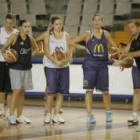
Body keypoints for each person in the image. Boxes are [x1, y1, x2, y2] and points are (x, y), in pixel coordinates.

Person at [72, 13, 118, 123]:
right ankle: (90, 115)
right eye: (95, 20)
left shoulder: (106, 34)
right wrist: (83, 47)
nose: (96, 22)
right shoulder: (88, 34)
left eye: (99, 20)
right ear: (92, 22)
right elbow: (72, 42)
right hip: (90, 65)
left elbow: (115, 47)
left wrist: (113, 52)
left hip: (102, 65)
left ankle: (108, 112)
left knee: (105, 91)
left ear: (102, 22)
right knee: (89, 91)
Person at [36, 16, 73, 123]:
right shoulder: (48, 35)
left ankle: (56, 114)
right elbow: (47, 51)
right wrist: (55, 61)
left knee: (61, 92)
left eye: (60, 24)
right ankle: (48, 113)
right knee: (51, 91)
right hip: (51, 66)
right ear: (52, 25)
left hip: (63, 66)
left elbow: (70, 48)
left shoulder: (66, 35)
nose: (59, 26)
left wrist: (67, 59)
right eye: (56, 24)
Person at [1, 19, 38, 125]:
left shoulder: (30, 39)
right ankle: (11, 115)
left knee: (22, 93)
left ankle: (20, 116)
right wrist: (6, 57)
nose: (27, 28)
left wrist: (31, 55)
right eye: (25, 26)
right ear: (20, 27)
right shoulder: (14, 37)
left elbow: (36, 48)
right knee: (16, 92)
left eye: (29, 26)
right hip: (15, 68)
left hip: (26, 68)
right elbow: (3, 48)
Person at [120, 20, 140, 130]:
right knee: (136, 90)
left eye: (132, 27)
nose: (130, 29)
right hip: (136, 67)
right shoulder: (132, 39)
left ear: (138, 28)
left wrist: (128, 55)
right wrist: (121, 61)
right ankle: (135, 116)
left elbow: (137, 53)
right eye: (129, 27)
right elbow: (125, 52)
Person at [0, 13, 18, 116]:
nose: (8, 25)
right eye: (7, 22)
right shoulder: (0, 31)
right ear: (4, 22)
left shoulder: (16, 33)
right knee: (1, 86)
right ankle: (1, 107)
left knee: (10, 88)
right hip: (1, 61)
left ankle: (9, 109)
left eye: (10, 23)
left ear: (14, 23)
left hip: (13, 63)